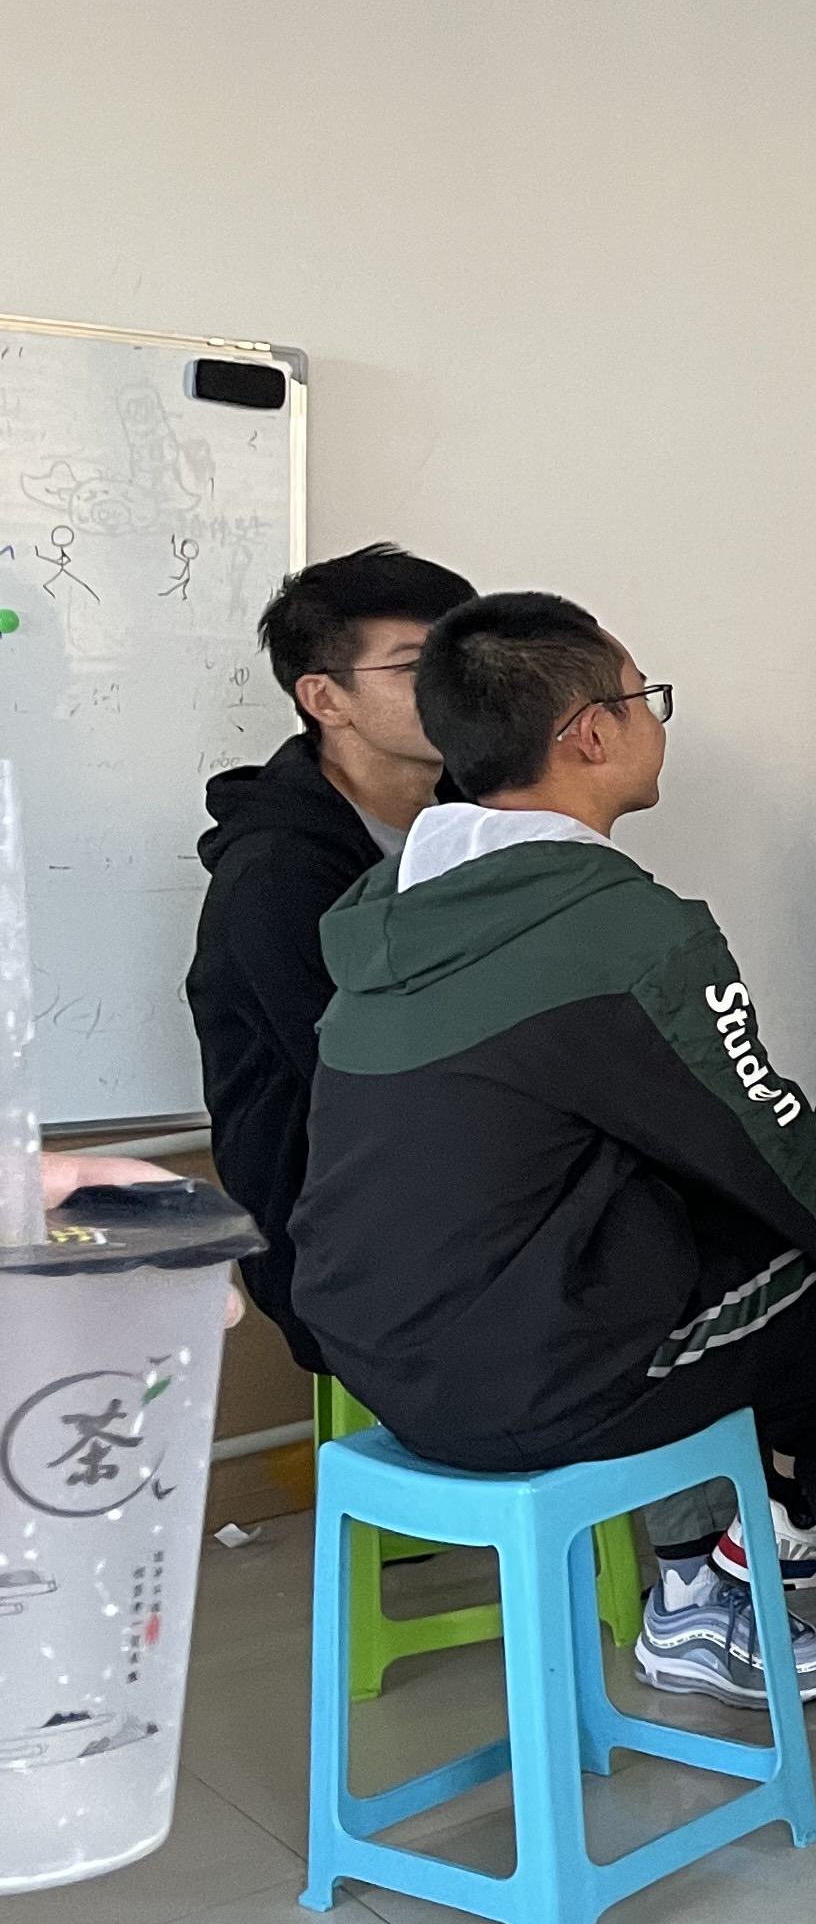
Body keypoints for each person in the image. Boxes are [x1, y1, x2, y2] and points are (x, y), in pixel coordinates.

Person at [293, 593, 816, 1765]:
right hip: (521, 1378)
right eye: (644, 697)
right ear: (590, 732)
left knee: (755, 1256)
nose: (656, 719)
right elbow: (772, 1143)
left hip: (380, 1356)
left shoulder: (394, 910)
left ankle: (782, 1527)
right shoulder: (622, 931)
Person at [186, 544, 475, 1374]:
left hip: (468, 1194)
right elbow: (370, 1088)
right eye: (415, 667)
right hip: (345, 1250)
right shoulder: (277, 874)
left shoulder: (475, 821)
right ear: (324, 698)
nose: (456, 687)